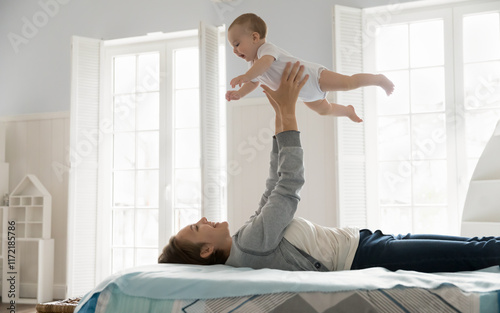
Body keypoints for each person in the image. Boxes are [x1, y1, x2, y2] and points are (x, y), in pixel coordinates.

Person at [158, 61, 500, 273]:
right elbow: (288, 186)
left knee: (477, 246)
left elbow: (271, 185)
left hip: (363, 241)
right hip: (363, 255)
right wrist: (289, 112)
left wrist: (280, 110)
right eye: (197, 227)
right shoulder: (251, 246)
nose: (204, 219)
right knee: (478, 252)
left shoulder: (245, 240)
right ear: (206, 251)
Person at [225, 13, 395, 123]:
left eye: (237, 44)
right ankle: (347, 112)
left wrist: (246, 76)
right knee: (325, 110)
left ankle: (377, 79)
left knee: (347, 83)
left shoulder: (266, 50)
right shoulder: (252, 66)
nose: (234, 50)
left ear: (255, 37)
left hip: (313, 77)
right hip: (305, 93)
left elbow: (265, 64)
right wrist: (240, 93)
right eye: (232, 47)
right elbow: (254, 82)